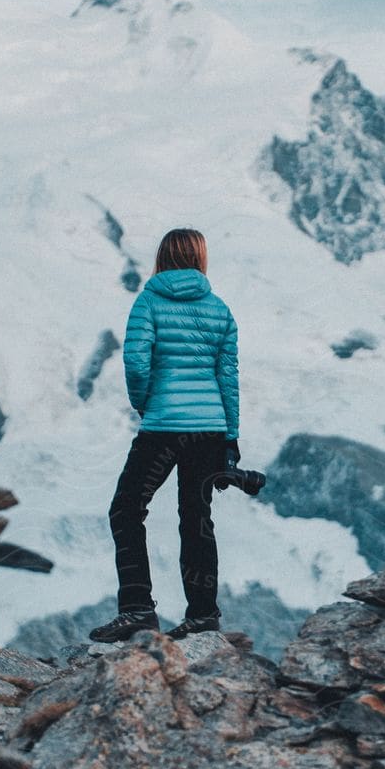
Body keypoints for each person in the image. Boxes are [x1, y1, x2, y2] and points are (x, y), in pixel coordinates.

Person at [90, 227, 240, 643]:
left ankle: (137, 608)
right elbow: (227, 376)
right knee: (196, 518)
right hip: (209, 430)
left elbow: (136, 364)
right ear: (200, 259)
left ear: (163, 257)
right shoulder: (220, 311)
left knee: (126, 509)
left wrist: (146, 404)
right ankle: (204, 616)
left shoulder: (148, 302)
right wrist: (231, 434)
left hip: (163, 427)